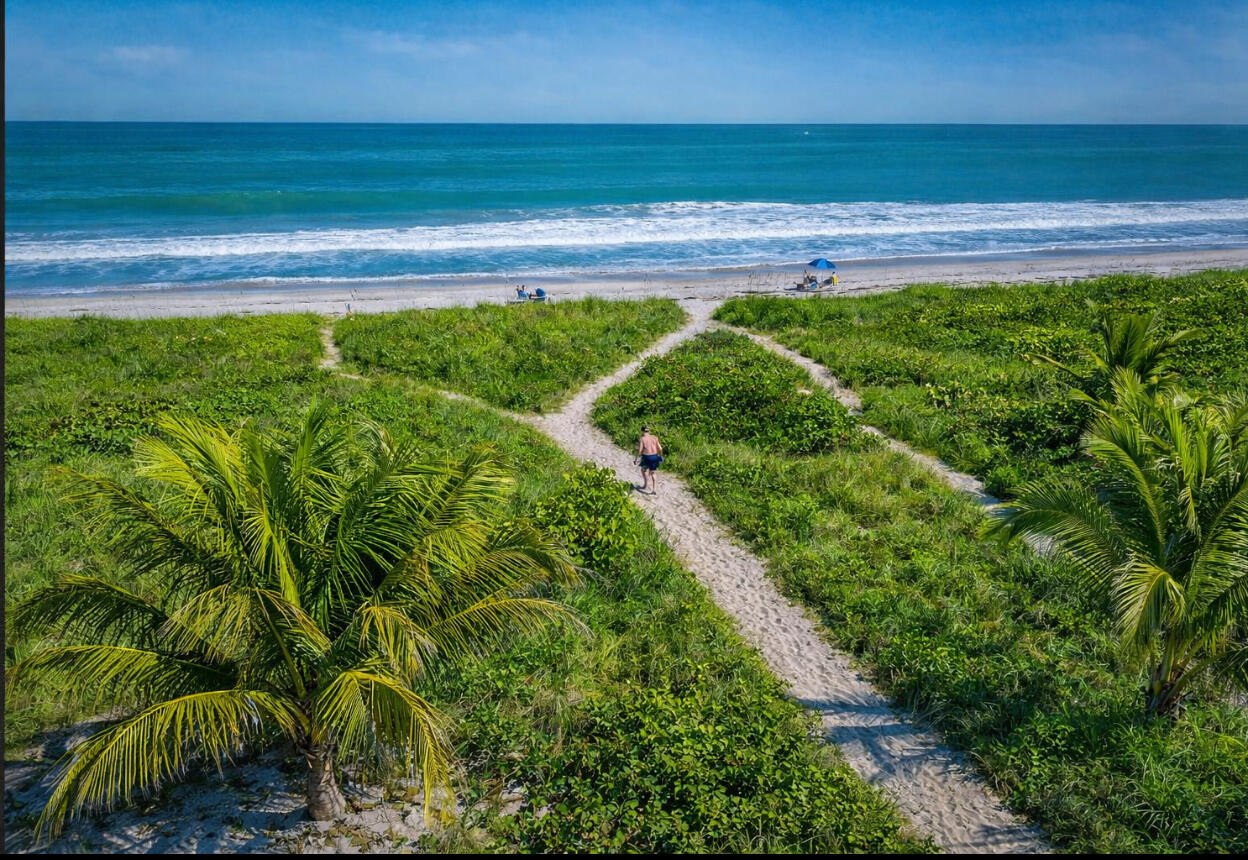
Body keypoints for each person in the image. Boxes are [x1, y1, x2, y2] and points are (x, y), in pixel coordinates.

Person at [635, 426, 664, 494]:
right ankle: (654, 489)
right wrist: (660, 456)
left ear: (642, 431)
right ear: (649, 431)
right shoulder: (655, 437)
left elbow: (640, 451)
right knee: (653, 472)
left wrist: (636, 459)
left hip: (646, 457)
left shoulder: (642, 439)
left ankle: (645, 484)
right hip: (655, 457)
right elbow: (660, 448)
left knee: (643, 470)